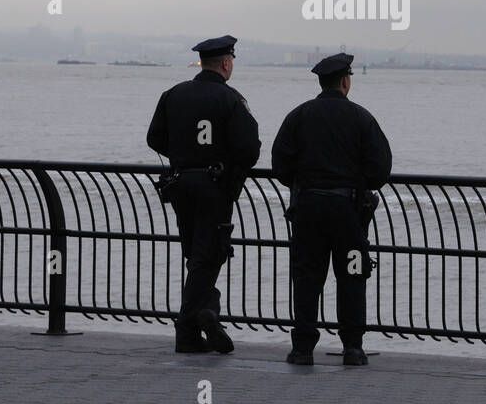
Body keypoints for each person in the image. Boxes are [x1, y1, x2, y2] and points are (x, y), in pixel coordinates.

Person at [271, 52, 392, 366]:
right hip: (349, 213)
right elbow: (381, 170)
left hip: (308, 208)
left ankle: (302, 349)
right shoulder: (362, 118)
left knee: (308, 276)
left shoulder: (298, 115)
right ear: (345, 81)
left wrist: (303, 184)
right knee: (352, 274)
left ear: (321, 82)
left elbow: (280, 165)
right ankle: (352, 347)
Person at [147, 35, 260, 353]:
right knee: (208, 255)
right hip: (215, 186)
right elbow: (249, 148)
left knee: (195, 255)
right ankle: (187, 329)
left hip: (181, 183)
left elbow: (154, 138)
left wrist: (183, 154)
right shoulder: (231, 99)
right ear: (226, 63)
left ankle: (207, 313)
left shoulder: (173, 94)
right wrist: (227, 169)